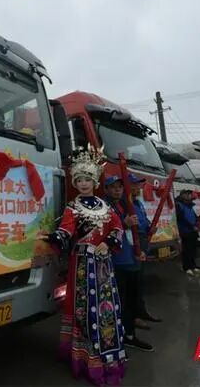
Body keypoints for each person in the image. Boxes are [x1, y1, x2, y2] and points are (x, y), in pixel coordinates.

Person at [38, 147, 126, 385]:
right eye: (79, 180)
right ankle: (84, 357)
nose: (84, 183)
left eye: (87, 179)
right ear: (75, 183)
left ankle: (107, 356)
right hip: (82, 266)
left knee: (106, 309)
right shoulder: (72, 207)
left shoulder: (105, 206)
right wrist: (52, 237)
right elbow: (66, 231)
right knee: (84, 309)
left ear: (95, 181)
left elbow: (118, 227)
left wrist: (108, 243)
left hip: (104, 266)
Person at [104, 175, 154, 352]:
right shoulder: (104, 207)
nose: (117, 190)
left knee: (131, 300)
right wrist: (123, 224)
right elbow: (103, 231)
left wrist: (141, 250)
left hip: (131, 258)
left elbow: (135, 233)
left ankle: (130, 335)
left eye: (120, 186)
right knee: (119, 302)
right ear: (106, 189)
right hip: (116, 262)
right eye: (113, 187)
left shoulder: (125, 205)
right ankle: (115, 337)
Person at [125, 174, 161, 330]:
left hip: (143, 241)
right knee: (132, 283)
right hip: (132, 243)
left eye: (138, 185)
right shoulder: (125, 204)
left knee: (140, 282)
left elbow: (144, 221)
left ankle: (141, 311)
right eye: (134, 185)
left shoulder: (138, 203)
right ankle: (133, 317)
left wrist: (150, 228)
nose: (137, 187)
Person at [175, 190, 200, 277]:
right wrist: (191, 226)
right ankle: (186, 267)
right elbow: (181, 218)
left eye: (189, 194)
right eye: (187, 194)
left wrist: (198, 221)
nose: (189, 195)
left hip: (193, 231)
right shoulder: (178, 205)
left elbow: (194, 216)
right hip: (185, 231)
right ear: (182, 195)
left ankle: (193, 265)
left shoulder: (190, 206)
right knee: (186, 250)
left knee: (193, 249)